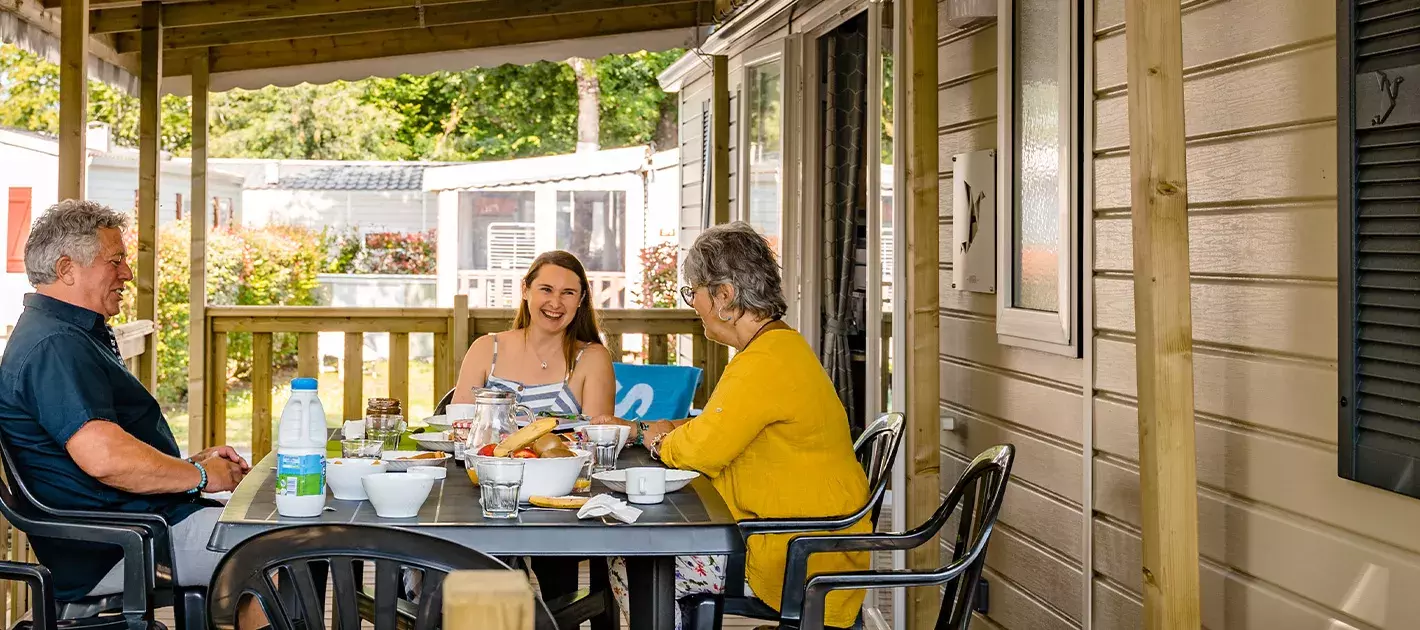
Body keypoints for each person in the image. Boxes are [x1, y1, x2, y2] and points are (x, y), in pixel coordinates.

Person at [592, 222, 873, 630]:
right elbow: (718, 429)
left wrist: (654, 438)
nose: (693, 304)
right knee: (647, 551)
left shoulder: (764, 362)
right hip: (813, 540)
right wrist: (664, 430)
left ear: (724, 295)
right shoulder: (779, 348)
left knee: (636, 558)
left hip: (797, 552)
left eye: (693, 292)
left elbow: (699, 452)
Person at [0, 200, 251, 604]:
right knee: (280, 550)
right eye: (115, 261)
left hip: (136, 524)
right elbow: (105, 458)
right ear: (67, 269)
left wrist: (188, 465)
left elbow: (107, 453)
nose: (128, 273)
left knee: (285, 546)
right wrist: (201, 476)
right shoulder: (55, 345)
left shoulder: (65, 333)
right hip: (116, 545)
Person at [451, 249, 616, 601]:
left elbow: (593, 440)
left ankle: (554, 618)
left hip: (556, 501)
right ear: (525, 290)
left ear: (580, 301)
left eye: (568, 293)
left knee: (556, 581)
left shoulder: (592, 358)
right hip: (486, 493)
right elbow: (461, 429)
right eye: (546, 289)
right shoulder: (486, 349)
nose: (555, 303)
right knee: (469, 565)